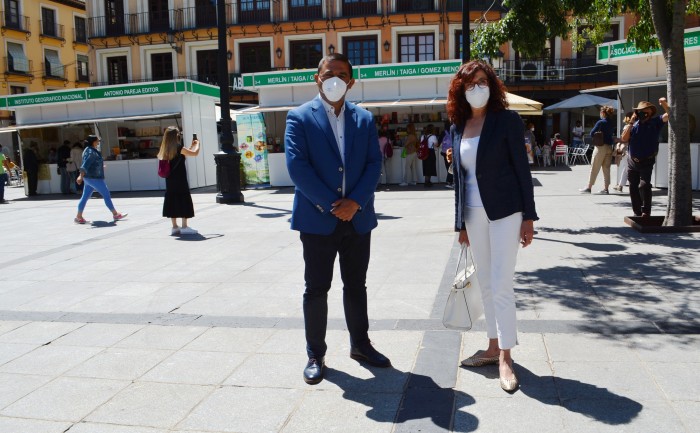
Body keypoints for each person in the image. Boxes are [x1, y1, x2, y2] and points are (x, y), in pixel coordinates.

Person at [285, 53, 390, 385]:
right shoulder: (299, 116)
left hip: (357, 220)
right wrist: (334, 204)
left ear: (351, 81)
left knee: (356, 286)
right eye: (329, 74)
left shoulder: (364, 118)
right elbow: (297, 168)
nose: (335, 79)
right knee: (316, 288)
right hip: (318, 220)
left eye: (342, 74)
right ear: (317, 78)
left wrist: (355, 202)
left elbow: (374, 164)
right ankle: (315, 353)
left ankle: (360, 344)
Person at [446, 60, 538, 392]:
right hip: (473, 213)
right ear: (461, 89)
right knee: (485, 283)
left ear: (492, 84)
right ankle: (492, 345)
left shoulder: (507, 120)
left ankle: (506, 357)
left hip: (506, 211)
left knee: (501, 283)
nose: (477, 88)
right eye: (470, 83)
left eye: (483, 81)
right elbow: (460, 180)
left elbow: (522, 171)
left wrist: (528, 216)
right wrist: (461, 224)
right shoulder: (458, 126)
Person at [619, 99, 669, 217]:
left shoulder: (655, 122)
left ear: (650, 112)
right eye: (638, 111)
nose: (641, 113)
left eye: (643, 111)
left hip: (647, 160)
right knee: (632, 186)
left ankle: (646, 211)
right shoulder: (634, 125)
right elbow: (624, 139)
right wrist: (630, 123)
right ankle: (637, 212)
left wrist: (664, 104)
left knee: (644, 185)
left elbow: (670, 114)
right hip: (632, 160)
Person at [157, 126, 200, 235]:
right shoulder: (179, 147)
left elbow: (186, 152)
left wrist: (192, 146)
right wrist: (198, 144)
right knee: (183, 198)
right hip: (180, 179)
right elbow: (194, 153)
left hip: (170, 180)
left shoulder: (165, 149)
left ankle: (175, 227)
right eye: (178, 134)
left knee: (172, 200)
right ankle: (185, 226)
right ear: (175, 136)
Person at [74, 135, 127, 224]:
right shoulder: (91, 152)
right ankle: (115, 214)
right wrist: (80, 176)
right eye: (97, 141)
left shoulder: (88, 150)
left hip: (89, 178)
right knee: (106, 194)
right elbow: (85, 165)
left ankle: (79, 217)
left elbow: (91, 164)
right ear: (94, 142)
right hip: (94, 178)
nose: (98, 142)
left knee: (85, 197)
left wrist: (99, 167)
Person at [579, 106, 615, 194]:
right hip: (609, 147)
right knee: (606, 169)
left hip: (600, 147)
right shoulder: (611, 123)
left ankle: (589, 187)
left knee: (594, 167)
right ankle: (606, 189)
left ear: (603, 113)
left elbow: (592, 133)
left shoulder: (600, 122)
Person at [612, 112, 633, 192]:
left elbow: (624, 138)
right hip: (630, 149)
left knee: (627, 168)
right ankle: (620, 185)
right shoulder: (635, 126)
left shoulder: (627, 127)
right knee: (626, 168)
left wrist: (618, 139)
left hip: (626, 149)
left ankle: (629, 185)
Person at [440, 121, 454, 187]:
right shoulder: (454, 130)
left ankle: (449, 181)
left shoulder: (443, 133)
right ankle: (450, 181)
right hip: (453, 151)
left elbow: (439, 142)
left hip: (445, 152)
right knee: (452, 167)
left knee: (448, 167)